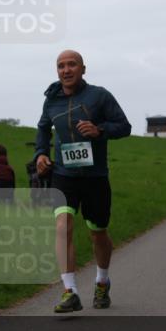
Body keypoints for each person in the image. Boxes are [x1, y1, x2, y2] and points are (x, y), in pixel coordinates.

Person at [34, 50, 131, 313]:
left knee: (97, 233)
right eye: (61, 66)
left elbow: (125, 126)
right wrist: (41, 153)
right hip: (63, 174)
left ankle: (102, 281)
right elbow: (43, 128)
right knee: (62, 225)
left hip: (95, 177)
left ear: (83, 69)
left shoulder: (99, 96)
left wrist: (100, 130)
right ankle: (70, 291)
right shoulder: (51, 100)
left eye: (71, 65)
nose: (66, 70)